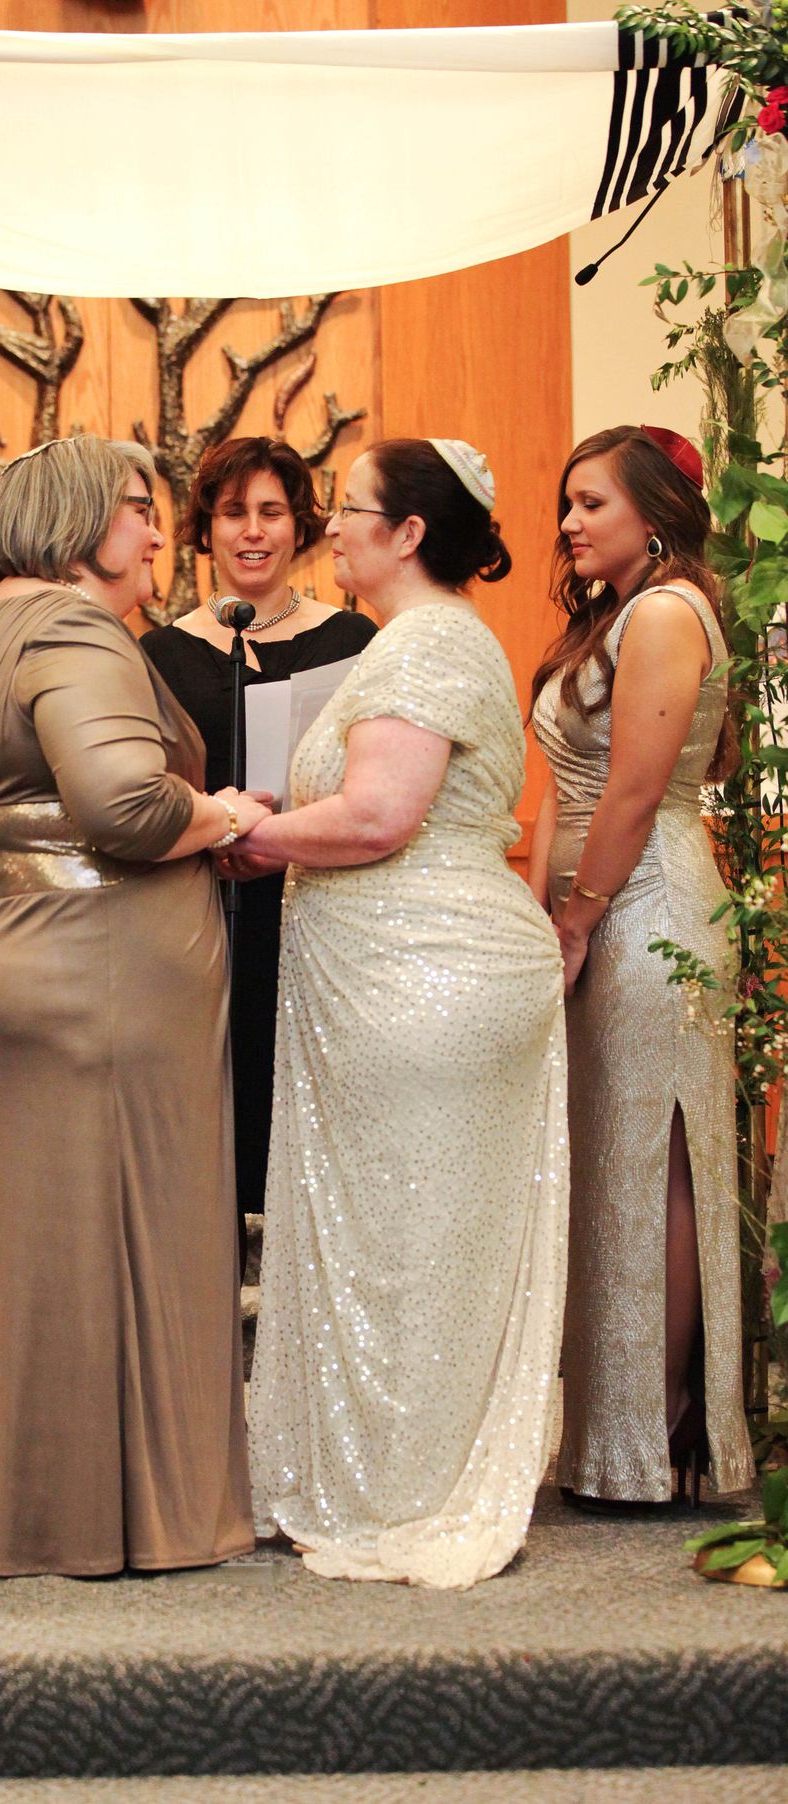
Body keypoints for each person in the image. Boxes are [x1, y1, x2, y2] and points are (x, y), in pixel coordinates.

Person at [0, 434, 264, 1577]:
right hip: (104, 969)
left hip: (10, 956)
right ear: (72, 519)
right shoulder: (73, 629)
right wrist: (218, 813)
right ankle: (141, 1517)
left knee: (41, 1258)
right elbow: (120, 801)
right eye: (135, 507)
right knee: (139, 1245)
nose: (159, 531)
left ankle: (35, 1512)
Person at [238, 438, 568, 1588]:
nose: (330, 526)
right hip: (396, 980)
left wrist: (248, 835)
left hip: (425, 975)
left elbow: (380, 816)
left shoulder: (430, 641)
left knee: (415, 1239)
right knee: (405, 1233)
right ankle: (384, 1464)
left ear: (410, 533)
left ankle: (412, 1484)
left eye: (349, 509)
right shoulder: (410, 645)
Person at [529, 423, 753, 1507]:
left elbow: (629, 790)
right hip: (593, 908)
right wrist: (539, 914)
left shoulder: (665, 614)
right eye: (567, 503)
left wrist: (577, 916)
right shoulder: (608, 618)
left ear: (656, 512)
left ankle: (656, 1430)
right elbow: (560, 792)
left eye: (592, 503)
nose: (570, 523)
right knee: (605, 1164)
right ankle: (614, 1434)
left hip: (649, 908)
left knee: (654, 1163)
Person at [142, 438, 376, 1269]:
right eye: (233, 512)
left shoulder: (350, 636)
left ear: (300, 526)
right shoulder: (161, 652)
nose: (252, 531)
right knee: (210, 1104)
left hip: (319, 904)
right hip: (203, 905)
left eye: (271, 512)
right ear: (205, 527)